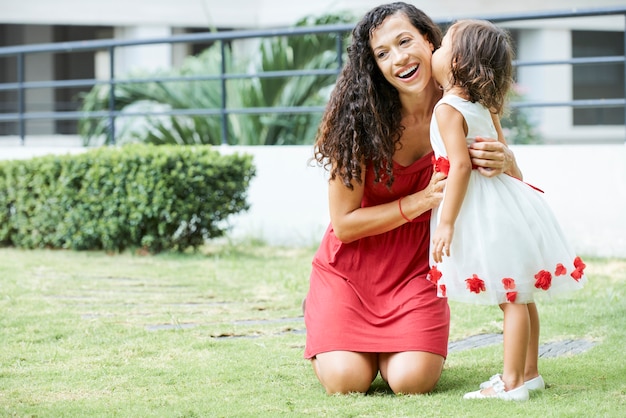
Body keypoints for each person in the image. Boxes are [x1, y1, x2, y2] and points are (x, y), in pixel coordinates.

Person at [303, 2, 523, 395]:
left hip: (418, 271)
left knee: (411, 381)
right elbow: (344, 225)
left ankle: (391, 348)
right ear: (374, 66)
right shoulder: (355, 122)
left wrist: (506, 160)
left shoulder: (467, 101)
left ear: (429, 40)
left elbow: (512, 186)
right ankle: (340, 338)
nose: (398, 59)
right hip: (351, 272)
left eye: (404, 41)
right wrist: (420, 202)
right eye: (382, 53)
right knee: (346, 380)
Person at [428, 19, 587, 401]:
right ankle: (529, 373)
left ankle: (513, 382)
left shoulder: (447, 109)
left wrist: (446, 224)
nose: (436, 48)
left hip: (485, 213)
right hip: (508, 202)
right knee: (521, 294)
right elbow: (500, 148)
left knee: (511, 299)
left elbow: (461, 165)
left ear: (458, 62)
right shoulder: (484, 104)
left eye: (444, 43)